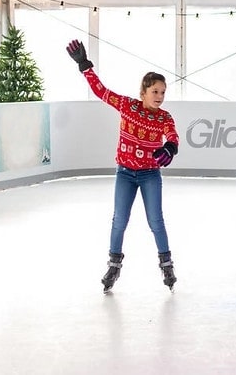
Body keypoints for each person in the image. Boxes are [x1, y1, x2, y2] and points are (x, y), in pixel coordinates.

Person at [65, 39, 180, 293]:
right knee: (119, 220)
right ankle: (114, 265)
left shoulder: (164, 117)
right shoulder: (128, 106)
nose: (160, 97)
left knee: (156, 221)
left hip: (150, 174)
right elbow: (101, 91)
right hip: (125, 174)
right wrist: (85, 65)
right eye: (155, 92)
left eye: (163, 92)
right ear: (144, 92)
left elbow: (172, 136)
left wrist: (170, 148)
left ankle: (166, 264)